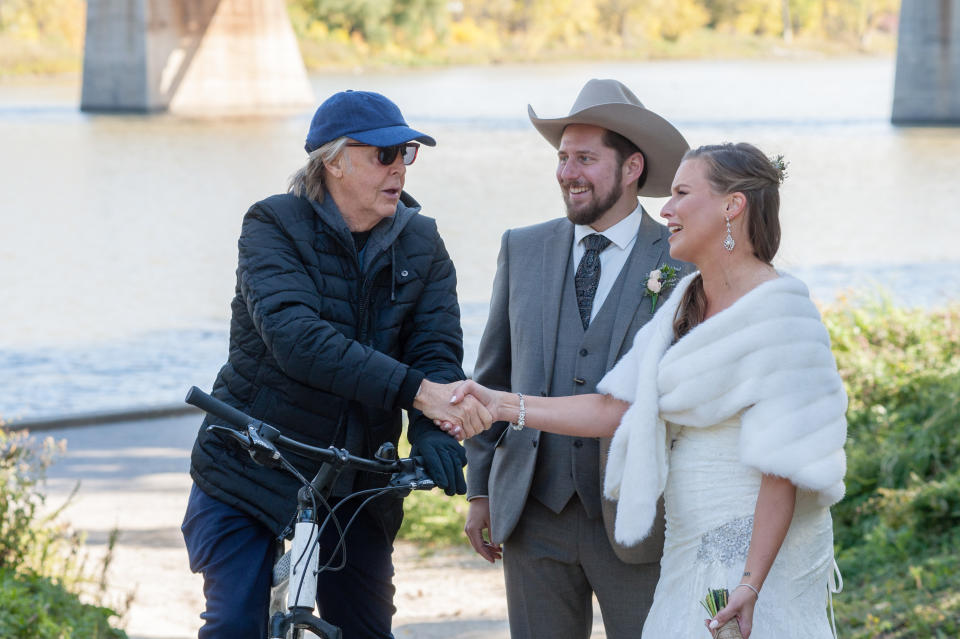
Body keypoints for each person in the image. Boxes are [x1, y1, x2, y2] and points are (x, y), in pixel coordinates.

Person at [448, 142, 847, 639]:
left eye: (681, 193)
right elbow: (617, 407)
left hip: (750, 557)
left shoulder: (784, 312)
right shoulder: (686, 298)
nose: (665, 209)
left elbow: (782, 470)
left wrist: (750, 582)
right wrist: (504, 404)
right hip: (684, 547)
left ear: (732, 205)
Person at [181, 89, 491, 639]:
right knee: (234, 624)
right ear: (333, 160)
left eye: (407, 154)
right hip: (249, 464)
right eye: (384, 154)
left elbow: (434, 348)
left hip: (357, 481)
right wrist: (420, 394)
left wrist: (431, 429)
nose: (399, 167)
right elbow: (298, 340)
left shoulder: (422, 241)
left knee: (366, 630)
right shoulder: (272, 225)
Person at [461, 78, 692, 639]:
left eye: (585, 158)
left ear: (632, 166)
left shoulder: (683, 258)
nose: (567, 173)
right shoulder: (522, 247)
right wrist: (481, 489)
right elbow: (492, 372)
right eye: (563, 158)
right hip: (532, 515)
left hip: (641, 519)